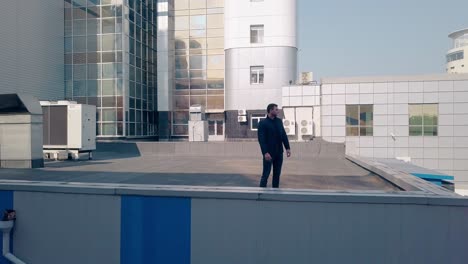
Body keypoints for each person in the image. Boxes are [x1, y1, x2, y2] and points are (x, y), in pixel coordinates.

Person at [257, 103, 291, 188]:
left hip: (279, 153)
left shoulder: (279, 121)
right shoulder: (263, 123)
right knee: (266, 174)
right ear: (271, 110)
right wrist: (265, 152)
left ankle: (275, 194)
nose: (278, 111)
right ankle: (260, 194)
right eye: (276, 109)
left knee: (277, 175)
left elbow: (283, 135)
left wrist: (287, 148)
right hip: (269, 154)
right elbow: (261, 140)